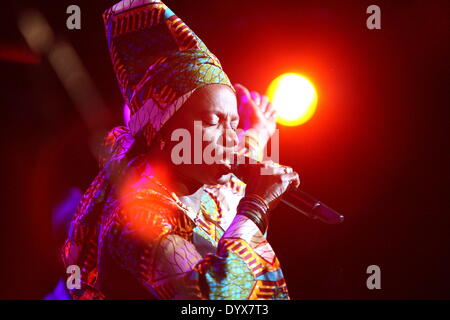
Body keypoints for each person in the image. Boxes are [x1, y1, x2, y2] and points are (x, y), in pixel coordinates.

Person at [63, 0, 299, 300]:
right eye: (214, 121)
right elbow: (208, 297)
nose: (230, 138)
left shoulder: (213, 188)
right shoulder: (137, 217)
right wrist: (257, 207)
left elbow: (236, 149)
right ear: (163, 135)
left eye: (234, 123)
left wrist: (259, 131)